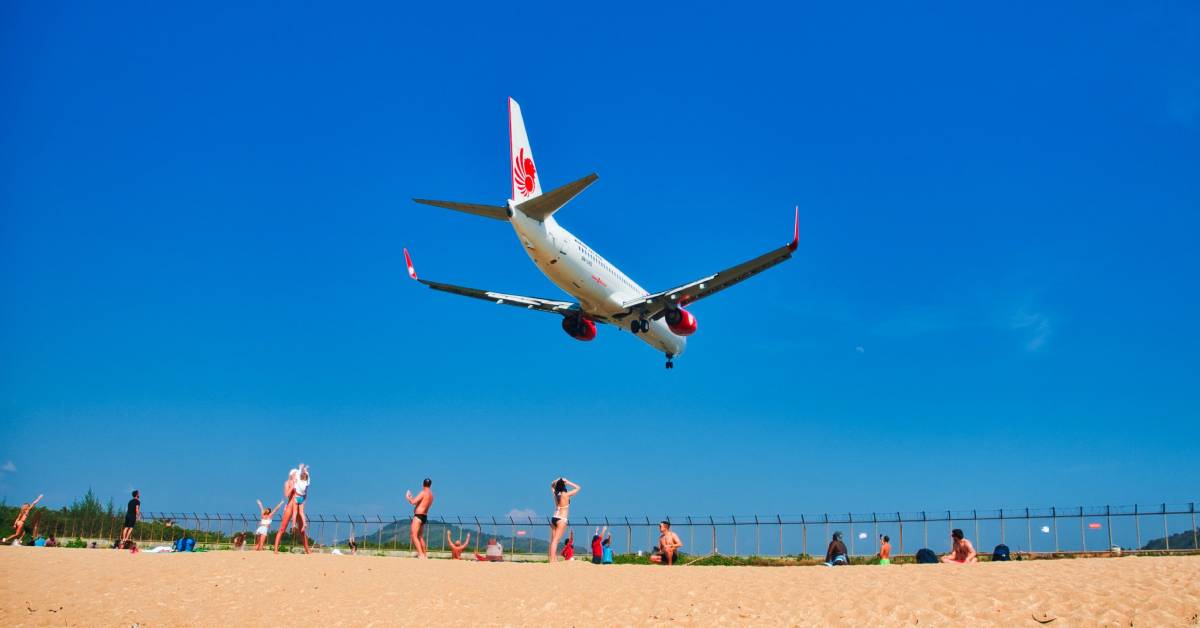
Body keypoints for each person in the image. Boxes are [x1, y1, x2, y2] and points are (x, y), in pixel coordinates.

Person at [548, 477, 580, 563]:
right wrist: (568, 482)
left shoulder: (556, 494)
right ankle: (552, 560)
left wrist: (558, 480)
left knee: (553, 540)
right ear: (564, 486)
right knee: (556, 540)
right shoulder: (566, 495)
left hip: (554, 517)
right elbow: (578, 488)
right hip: (562, 518)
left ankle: (553, 558)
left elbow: (551, 485)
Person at [405, 478, 434, 559]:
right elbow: (422, 503)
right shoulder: (431, 495)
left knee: (413, 535)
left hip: (418, 515)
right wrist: (412, 498)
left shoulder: (423, 492)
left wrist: (408, 497)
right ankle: (424, 554)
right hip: (424, 516)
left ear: (422, 484)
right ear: (430, 485)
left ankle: (420, 554)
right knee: (420, 536)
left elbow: (413, 502)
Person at [294, 464, 311, 532]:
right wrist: (306, 470)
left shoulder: (299, 481)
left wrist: (300, 468)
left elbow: (298, 474)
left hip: (296, 496)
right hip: (301, 498)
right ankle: (304, 523)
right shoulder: (306, 483)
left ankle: (294, 524)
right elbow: (308, 478)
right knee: (301, 512)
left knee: (295, 512)